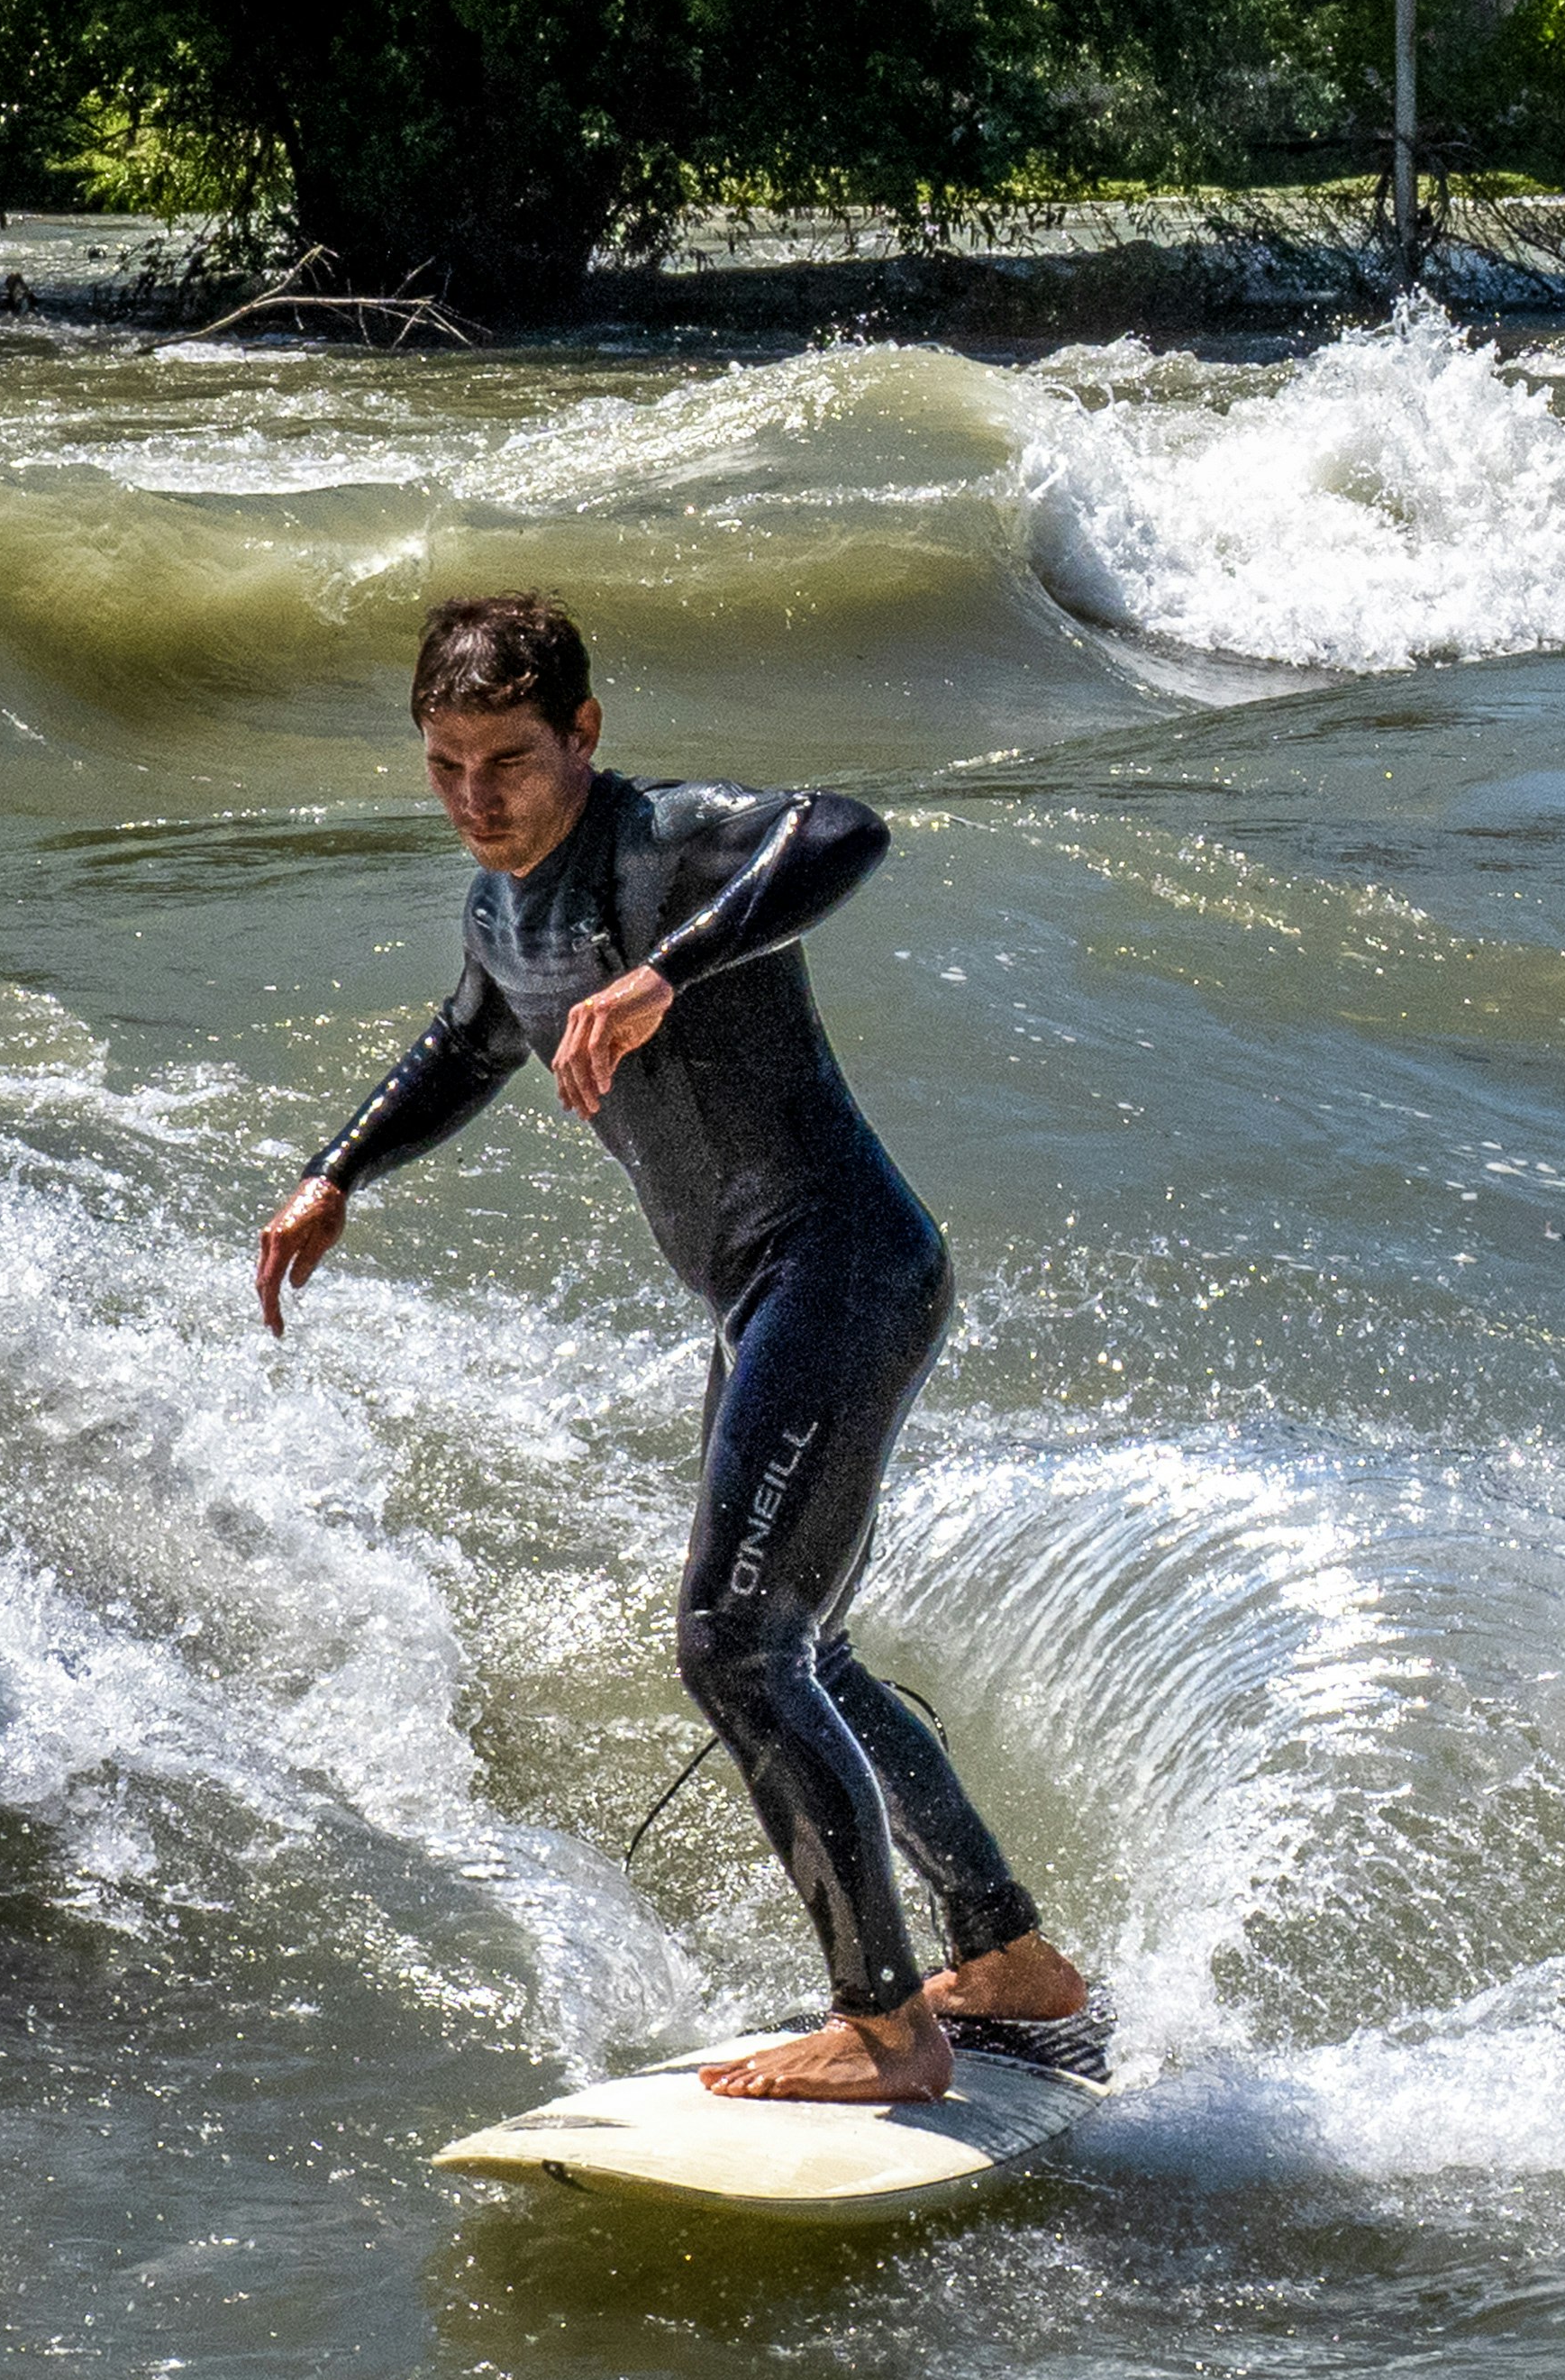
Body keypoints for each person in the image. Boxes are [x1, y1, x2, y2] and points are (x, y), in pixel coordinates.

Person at [254, 594, 1094, 2105]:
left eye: (508, 759)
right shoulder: (500, 909)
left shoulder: (665, 843)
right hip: (766, 1293)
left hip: (838, 1266)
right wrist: (338, 1172)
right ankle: (1006, 1958)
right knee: (800, 1647)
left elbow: (847, 830)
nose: (475, 798)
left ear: (583, 733)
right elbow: (466, 1043)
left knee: (732, 1645)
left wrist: (661, 973)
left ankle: (892, 2031)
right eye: (444, 764)